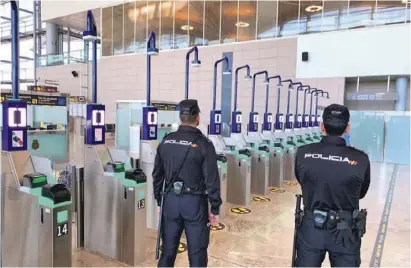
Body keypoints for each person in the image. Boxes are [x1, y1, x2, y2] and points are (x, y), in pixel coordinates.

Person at [294, 104, 370, 267]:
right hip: (345, 230)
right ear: (347, 128)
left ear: (322, 126)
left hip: (311, 228)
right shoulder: (361, 159)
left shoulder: (303, 153)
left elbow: (302, 181)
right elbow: (361, 193)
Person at [152, 99, 222, 268]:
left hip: (170, 201)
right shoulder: (204, 144)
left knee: (168, 251)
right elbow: (212, 179)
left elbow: (157, 176)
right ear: (197, 118)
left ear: (180, 117)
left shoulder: (166, 141)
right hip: (194, 205)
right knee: (197, 253)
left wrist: (160, 201)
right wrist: (214, 208)